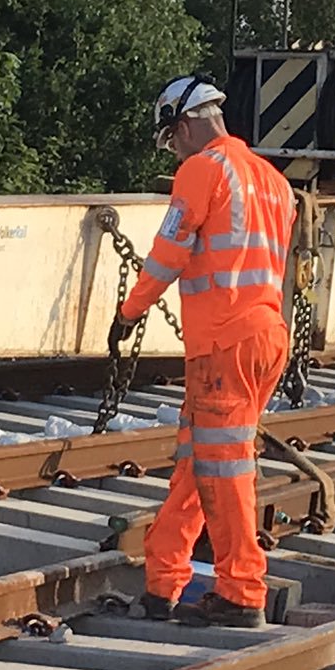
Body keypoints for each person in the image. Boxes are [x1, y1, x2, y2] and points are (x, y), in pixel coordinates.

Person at [113, 76, 295, 628]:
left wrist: (130, 311)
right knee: (199, 464)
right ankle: (163, 581)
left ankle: (243, 592)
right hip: (264, 336)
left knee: (224, 470)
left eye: (172, 139)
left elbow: (169, 251)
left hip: (224, 343)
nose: (174, 150)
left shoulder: (202, 170)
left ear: (187, 123)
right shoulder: (273, 181)